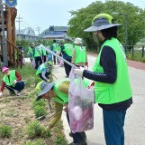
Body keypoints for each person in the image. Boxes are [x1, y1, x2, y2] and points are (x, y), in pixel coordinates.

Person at [74, 13, 133, 145]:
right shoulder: (116, 43)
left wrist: (85, 73)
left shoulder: (107, 47)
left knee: (113, 138)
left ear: (101, 32)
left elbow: (110, 77)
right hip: (123, 96)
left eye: (96, 32)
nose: (95, 35)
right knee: (118, 133)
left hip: (113, 100)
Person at [36, 79, 92, 145]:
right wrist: (48, 127)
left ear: (48, 89)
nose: (44, 97)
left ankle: (79, 141)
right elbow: (57, 114)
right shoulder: (55, 97)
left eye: (43, 94)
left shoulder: (60, 88)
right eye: (42, 97)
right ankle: (81, 135)